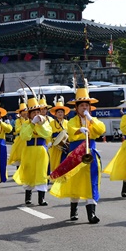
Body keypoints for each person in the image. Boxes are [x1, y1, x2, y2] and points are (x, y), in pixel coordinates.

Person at [50, 85, 106, 224]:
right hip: (76, 154)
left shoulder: (93, 120)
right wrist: (80, 130)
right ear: (77, 108)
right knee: (75, 182)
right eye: (82, 105)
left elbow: (101, 130)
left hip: (90, 154)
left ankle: (91, 214)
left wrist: (90, 119)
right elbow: (71, 130)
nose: (84, 108)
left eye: (87, 105)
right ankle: (73, 210)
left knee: (91, 182)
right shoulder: (72, 121)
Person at [13, 96, 52, 206]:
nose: (36, 115)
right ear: (29, 114)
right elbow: (25, 136)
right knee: (29, 172)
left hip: (41, 150)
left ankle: (41, 198)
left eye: (37, 112)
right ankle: (28, 197)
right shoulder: (25, 124)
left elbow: (47, 134)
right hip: (29, 150)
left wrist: (40, 125)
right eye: (33, 113)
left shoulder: (45, 123)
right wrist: (32, 124)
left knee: (41, 173)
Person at [49, 96, 70, 173]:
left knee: (64, 159)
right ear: (55, 114)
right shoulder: (51, 123)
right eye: (58, 112)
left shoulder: (67, 122)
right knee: (54, 160)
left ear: (64, 114)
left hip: (65, 144)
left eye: (61, 112)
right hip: (55, 145)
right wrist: (50, 141)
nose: (60, 114)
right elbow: (49, 134)